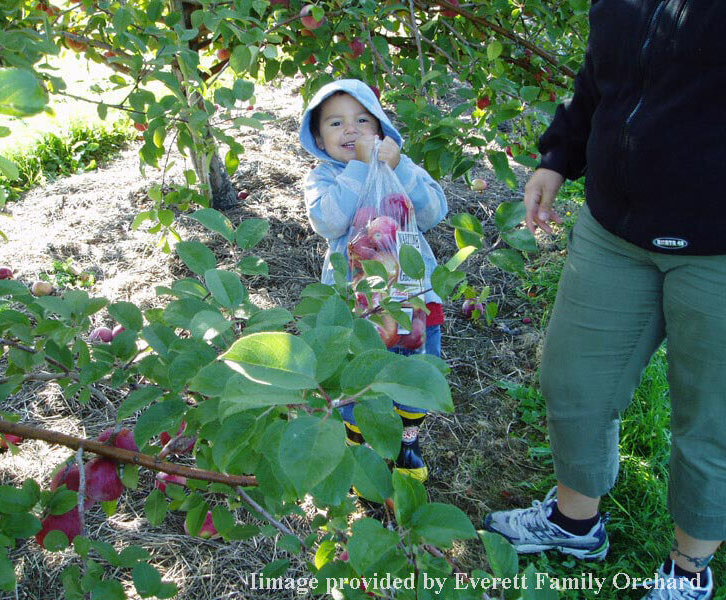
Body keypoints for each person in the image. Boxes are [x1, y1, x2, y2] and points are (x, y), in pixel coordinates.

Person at [483, 2, 726, 598]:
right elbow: (602, 73)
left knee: (712, 418)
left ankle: (689, 568)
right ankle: (575, 522)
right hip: (614, 230)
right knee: (573, 382)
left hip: (720, 246)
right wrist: (559, 156)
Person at [299, 79, 448, 483]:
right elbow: (328, 221)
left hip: (410, 295)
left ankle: (407, 440)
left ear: (381, 127)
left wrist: (400, 166)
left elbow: (434, 212)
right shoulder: (324, 179)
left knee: (413, 371)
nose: (351, 130)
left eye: (363, 120)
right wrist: (360, 167)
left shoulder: (400, 166)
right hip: (359, 301)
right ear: (317, 137)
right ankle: (359, 444)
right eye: (335, 123)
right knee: (357, 371)